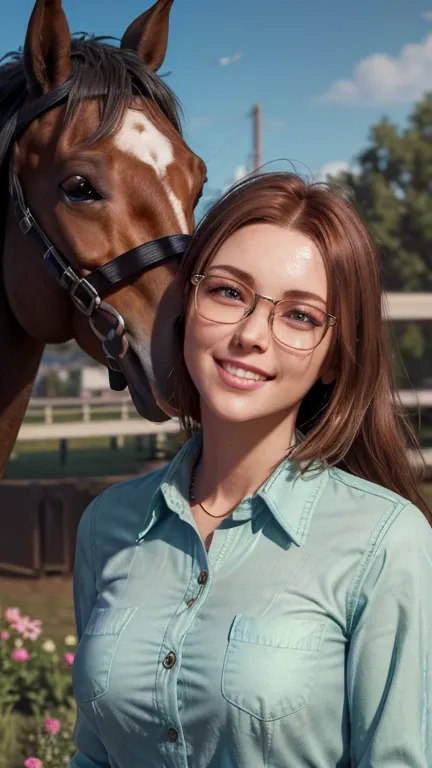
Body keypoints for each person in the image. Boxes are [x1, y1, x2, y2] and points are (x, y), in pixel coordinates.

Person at [71, 172, 432, 768]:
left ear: (333, 359)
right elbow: (95, 755)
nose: (250, 335)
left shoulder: (385, 543)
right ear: (186, 305)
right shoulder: (107, 525)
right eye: (229, 293)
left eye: (300, 317)